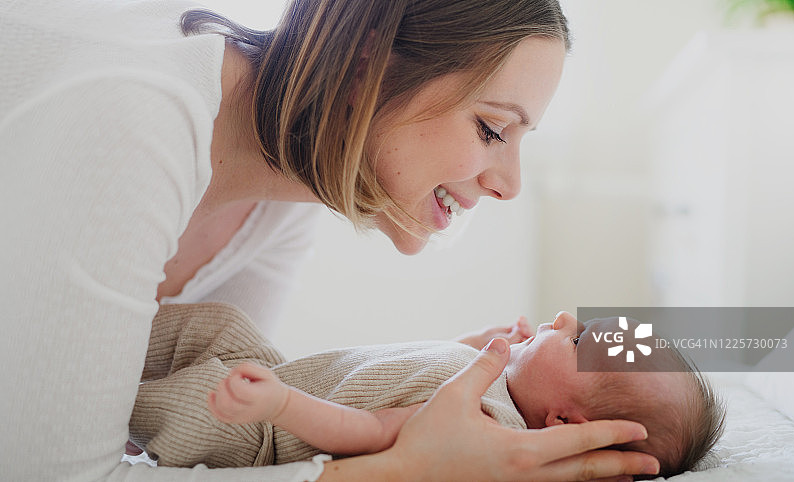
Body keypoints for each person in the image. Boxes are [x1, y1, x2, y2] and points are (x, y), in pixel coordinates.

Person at [1, 0, 663, 479]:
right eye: (492, 129)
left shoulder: (281, 199)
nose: (510, 184)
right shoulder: (135, 120)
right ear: (368, 61)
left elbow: (217, 426)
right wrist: (403, 473)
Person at [130, 306, 724, 478]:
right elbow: (418, 364)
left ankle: (76, 381)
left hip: (260, 429)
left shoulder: (481, 421)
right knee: (214, 324)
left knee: (175, 401)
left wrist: (279, 406)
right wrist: (474, 343)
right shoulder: (491, 382)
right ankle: (100, 331)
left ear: (563, 423)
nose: (565, 318)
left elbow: (370, 431)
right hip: (278, 372)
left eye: (577, 343)